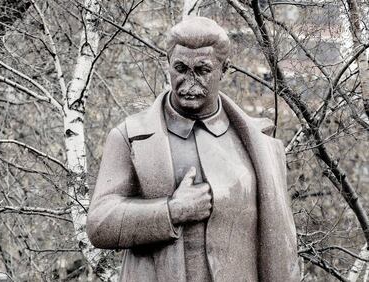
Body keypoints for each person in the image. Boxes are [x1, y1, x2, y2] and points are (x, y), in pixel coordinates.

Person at [87, 16, 300, 282]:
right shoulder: (130, 137)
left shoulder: (260, 145)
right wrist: (172, 211)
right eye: (180, 68)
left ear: (224, 69)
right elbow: (99, 224)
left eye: (202, 70)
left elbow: (281, 247)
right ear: (168, 65)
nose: (189, 81)